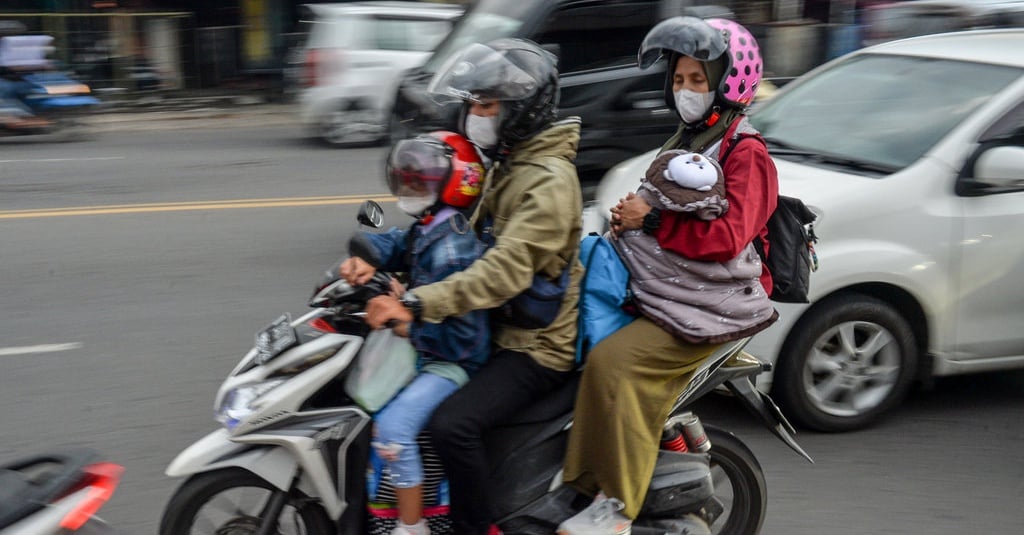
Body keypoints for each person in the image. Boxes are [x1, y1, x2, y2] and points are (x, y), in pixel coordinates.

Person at [558, 17, 780, 535]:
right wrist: (632, 218)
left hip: (715, 303)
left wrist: (652, 221)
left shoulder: (747, 153)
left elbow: (726, 237)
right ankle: (582, 483)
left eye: (697, 80)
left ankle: (616, 508)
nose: (685, 90)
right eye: (679, 80)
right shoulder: (693, 136)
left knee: (616, 365)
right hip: (674, 288)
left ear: (728, 82)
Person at [362, 37, 584, 535]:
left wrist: (419, 303)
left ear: (521, 109)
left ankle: (478, 527)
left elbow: (503, 271)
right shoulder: (507, 162)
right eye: (473, 104)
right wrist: (375, 261)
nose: (475, 115)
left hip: (536, 345)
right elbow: (447, 228)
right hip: (495, 323)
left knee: (451, 425)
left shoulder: (547, 182)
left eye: (486, 104)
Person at [341, 131, 491, 535]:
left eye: (419, 181)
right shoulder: (432, 226)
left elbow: (463, 339)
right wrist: (363, 256)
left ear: (452, 183)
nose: (409, 188)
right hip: (431, 352)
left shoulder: (452, 247)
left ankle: (412, 526)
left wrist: (406, 323)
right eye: (405, 179)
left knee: (392, 428)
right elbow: (399, 244)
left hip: (452, 363)